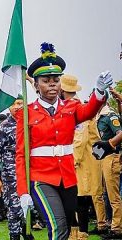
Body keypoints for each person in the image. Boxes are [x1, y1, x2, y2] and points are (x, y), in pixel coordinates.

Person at [15, 42, 112, 240]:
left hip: (67, 177)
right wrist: (23, 191)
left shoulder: (71, 106)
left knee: (67, 229)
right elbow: (20, 154)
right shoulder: (26, 113)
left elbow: (89, 111)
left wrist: (100, 92)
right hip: (41, 179)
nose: (52, 84)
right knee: (57, 226)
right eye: (46, 80)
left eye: (56, 80)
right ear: (35, 84)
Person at [59, 74, 102, 240]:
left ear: (62, 89)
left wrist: (72, 161)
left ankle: (80, 234)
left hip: (80, 162)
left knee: (79, 200)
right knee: (77, 199)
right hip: (83, 162)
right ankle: (76, 233)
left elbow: (80, 138)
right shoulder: (73, 105)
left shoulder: (76, 107)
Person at [0, 97, 34, 240]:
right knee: (15, 208)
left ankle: (26, 232)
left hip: (32, 171)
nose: (17, 106)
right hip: (12, 174)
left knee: (30, 207)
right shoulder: (4, 126)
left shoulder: (30, 121)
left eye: (20, 103)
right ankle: (15, 235)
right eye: (13, 104)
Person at [91, 100, 122, 239]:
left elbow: (120, 132)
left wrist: (109, 144)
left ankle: (117, 228)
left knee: (112, 195)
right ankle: (101, 225)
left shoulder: (110, 115)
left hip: (110, 157)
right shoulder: (95, 116)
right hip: (98, 157)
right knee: (97, 192)